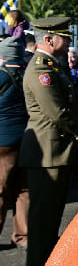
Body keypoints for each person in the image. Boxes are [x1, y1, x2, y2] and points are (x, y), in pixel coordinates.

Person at [18, 17, 78, 266]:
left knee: (51, 217)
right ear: (48, 39)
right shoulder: (40, 71)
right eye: (64, 37)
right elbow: (57, 112)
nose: (68, 42)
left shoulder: (51, 66)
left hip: (55, 151)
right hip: (48, 154)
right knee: (43, 219)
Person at [0, 36, 29, 249]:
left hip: (3, 141)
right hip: (27, 139)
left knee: (1, 189)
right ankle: (22, 235)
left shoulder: (1, 76)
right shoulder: (29, 74)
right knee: (23, 189)